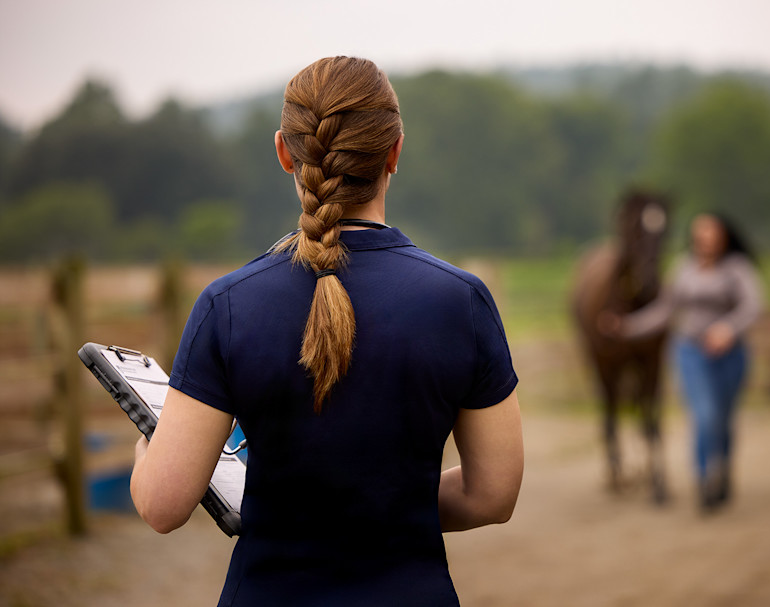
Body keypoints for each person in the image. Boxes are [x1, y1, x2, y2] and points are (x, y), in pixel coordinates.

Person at [129, 56, 523, 606]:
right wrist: (388, 504)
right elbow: (493, 495)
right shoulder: (461, 302)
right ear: (394, 151)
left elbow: (162, 505)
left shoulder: (227, 306)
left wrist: (148, 430)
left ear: (284, 152)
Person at [600, 213, 762, 512]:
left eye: (710, 233)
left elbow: (752, 306)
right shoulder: (684, 267)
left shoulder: (737, 269)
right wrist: (627, 327)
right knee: (705, 415)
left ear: (723, 236)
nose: (704, 239)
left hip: (730, 355)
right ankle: (704, 479)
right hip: (691, 352)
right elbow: (665, 311)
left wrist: (728, 329)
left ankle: (723, 468)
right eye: (699, 233)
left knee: (724, 419)